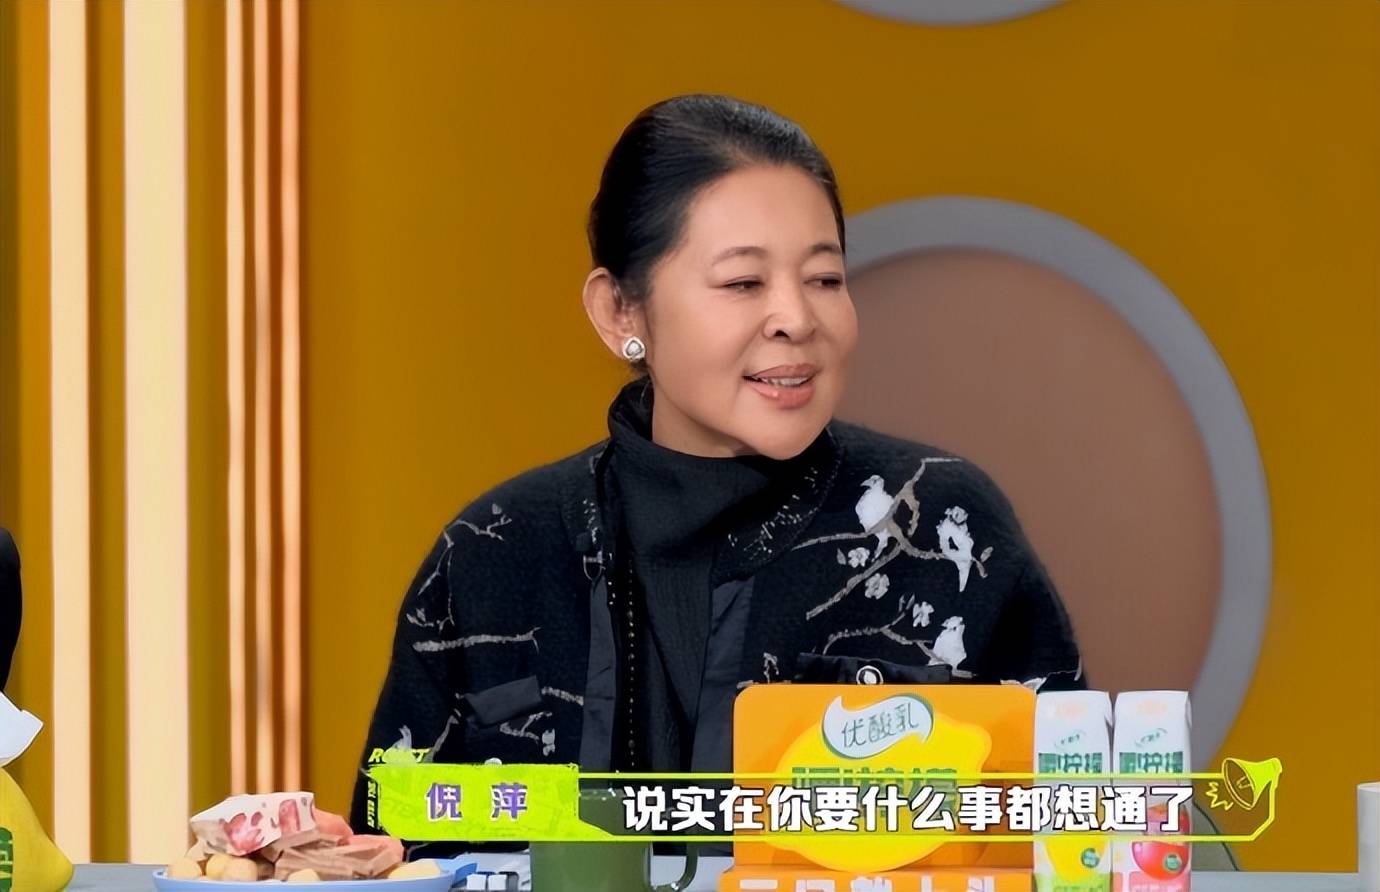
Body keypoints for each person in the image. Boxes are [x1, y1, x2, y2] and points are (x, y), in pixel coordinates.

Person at [351, 94, 1083, 830]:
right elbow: (388, 853)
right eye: (743, 283)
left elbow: (1077, 835)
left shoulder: (937, 524)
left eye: (825, 279)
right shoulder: (494, 553)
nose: (797, 318)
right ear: (621, 312)